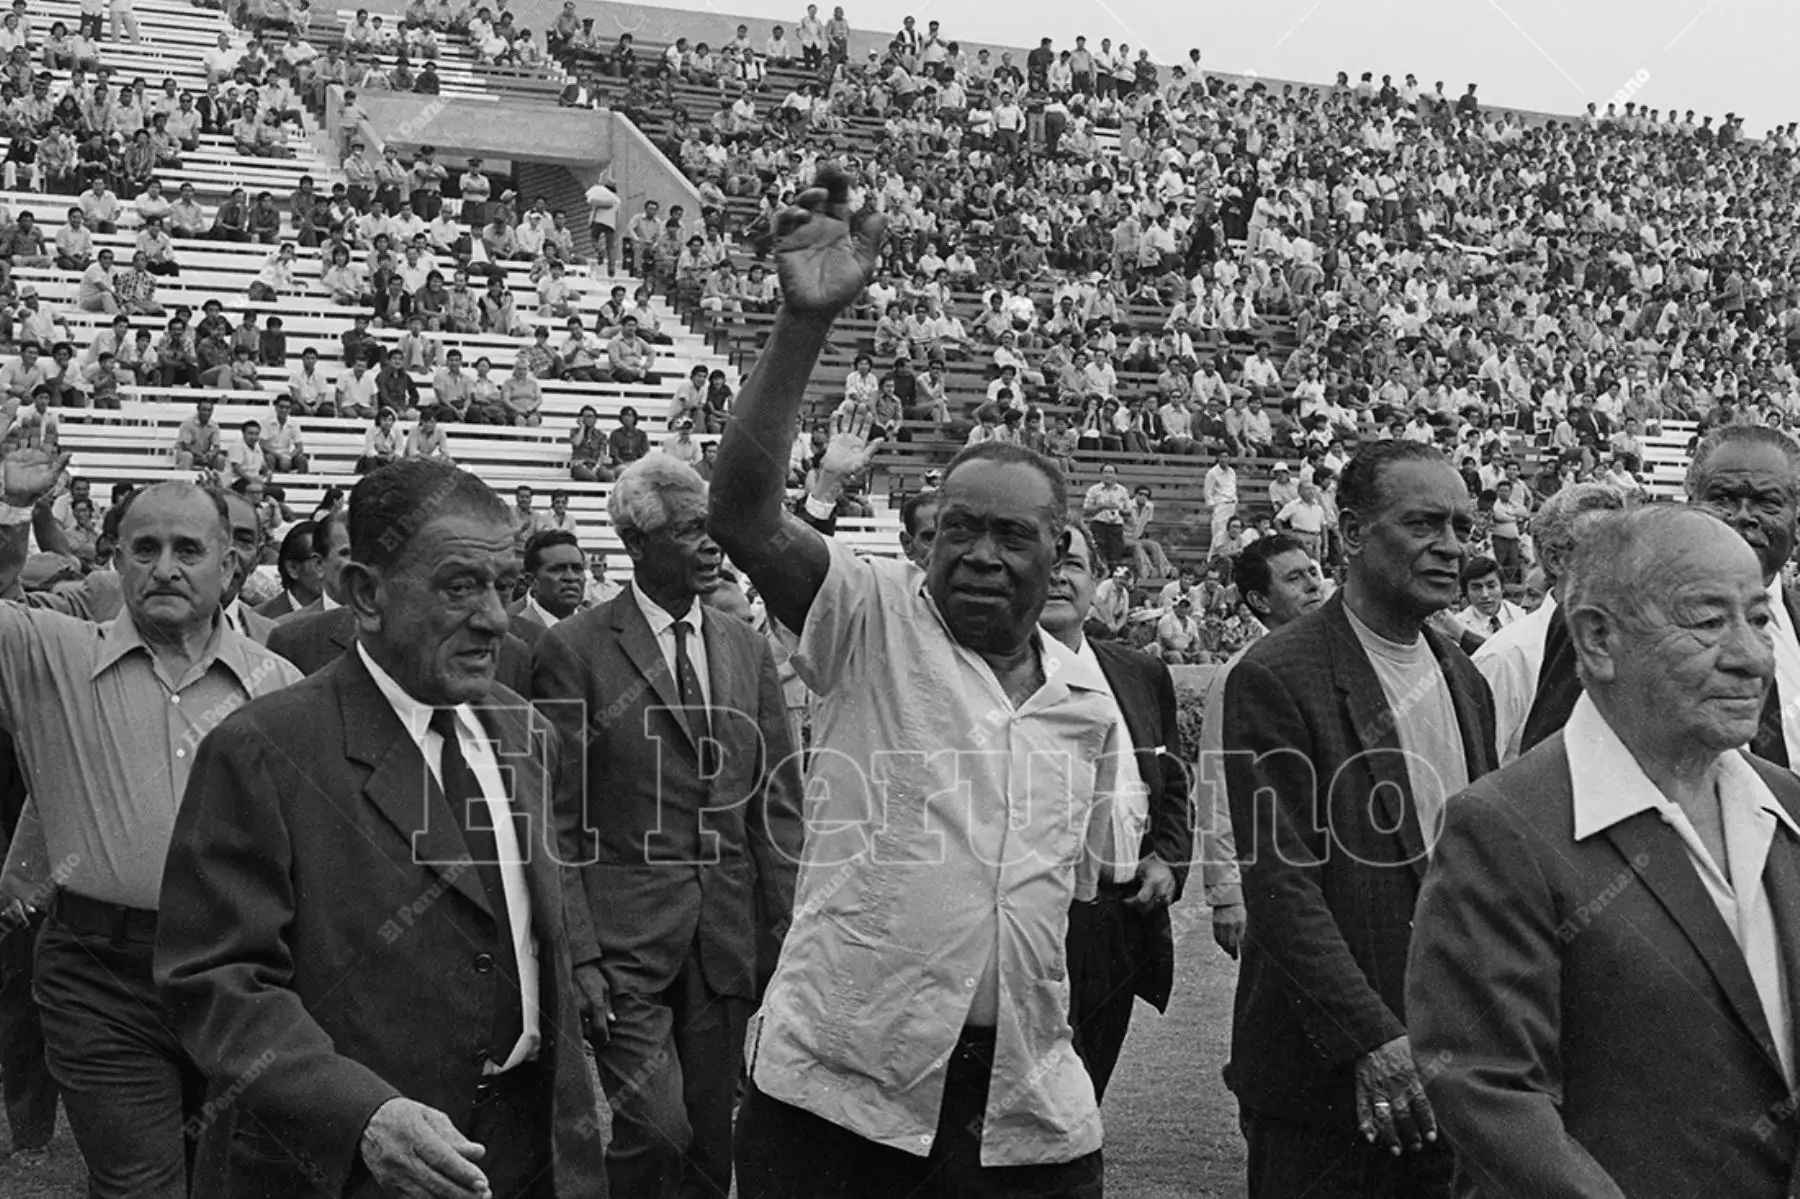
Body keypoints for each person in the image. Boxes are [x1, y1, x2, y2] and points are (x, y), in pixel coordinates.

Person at [710, 170, 1109, 1197]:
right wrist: (805, 325)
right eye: (958, 527)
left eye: (1010, 534)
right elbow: (746, 515)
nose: (979, 553)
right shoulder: (875, 615)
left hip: (1023, 1109)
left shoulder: (1082, 698)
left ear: (1056, 555)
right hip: (838, 1101)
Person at [155, 461, 607, 1198]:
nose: (496, 616)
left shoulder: (525, 732)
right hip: (345, 1169)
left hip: (526, 1154)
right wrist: (362, 1114)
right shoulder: (264, 748)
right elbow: (215, 979)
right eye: (460, 585)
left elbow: (532, 932)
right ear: (366, 592)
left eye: (507, 585)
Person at [1409, 505, 1800, 1198]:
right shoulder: (1505, 827)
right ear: (1598, 638)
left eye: (1760, 618)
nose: (1751, 655)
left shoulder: (1787, 806)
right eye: (1708, 621)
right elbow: (1490, 1087)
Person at [0, 478, 302, 1198]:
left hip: (238, 969)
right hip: (98, 975)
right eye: (145, 547)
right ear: (116, 559)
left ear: (229, 567)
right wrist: (12, 508)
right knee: (140, 1183)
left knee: (228, 1178)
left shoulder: (281, 686)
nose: (164, 566)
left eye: (187, 548)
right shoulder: (52, 655)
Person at [1223, 441, 1496, 1198]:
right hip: (1329, 1079)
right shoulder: (1280, 673)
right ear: (1348, 531)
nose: (1452, 548)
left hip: (1452, 1066)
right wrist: (1374, 1038)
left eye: (1463, 528)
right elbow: (1282, 887)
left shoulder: (1463, 676)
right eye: (1424, 524)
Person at [532, 453, 804, 1199]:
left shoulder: (746, 646)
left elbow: (776, 801)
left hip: (725, 940)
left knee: (712, 1146)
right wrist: (580, 955)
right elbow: (557, 815)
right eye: (692, 531)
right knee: (655, 1129)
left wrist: (784, 928)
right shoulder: (574, 649)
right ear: (636, 542)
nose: (714, 545)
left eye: (714, 529)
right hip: (624, 949)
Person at [1038, 521, 1191, 1100]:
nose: (1058, 576)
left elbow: (1172, 782)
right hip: (1037, 920)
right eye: (1046, 561)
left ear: (1097, 580)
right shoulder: (993, 669)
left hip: (1120, 918)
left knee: (1087, 1088)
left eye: (1073, 564)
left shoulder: (1139, 671)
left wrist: (1170, 859)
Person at [1196, 533, 1324, 959]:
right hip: (1278, 874)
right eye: (1294, 578)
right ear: (1260, 600)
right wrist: (1227, 893)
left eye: (1312, 572)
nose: (1312, 585)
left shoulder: (1343, 662)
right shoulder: (1240, 676)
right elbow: (1217, 780)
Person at [1475, 484, 1626, 764]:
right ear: (1556, 560)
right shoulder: (1507, 656)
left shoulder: (1633, 645)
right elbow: (1478, 773)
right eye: (1603, 548)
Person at [1687, 426, 1800, 767]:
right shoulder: (1627, 618)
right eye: (1722, 499)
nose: (1742, 516)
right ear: (1690, 505)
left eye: (1767, 502)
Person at [507, 528, 585, 644]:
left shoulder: (602, 628)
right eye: (557, 569)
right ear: (531, 580)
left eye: (577, 569)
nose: (571, 577)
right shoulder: (509, 635)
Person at [1452, 554, 1522, 636]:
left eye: (1491, 586)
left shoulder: (1520, 615)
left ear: (1502, 587)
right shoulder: (1458, 626)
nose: (1485, 594)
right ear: (1466, 592)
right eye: (1476, 588)